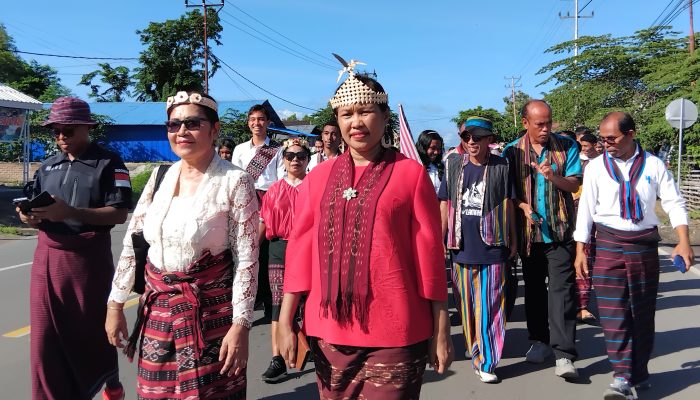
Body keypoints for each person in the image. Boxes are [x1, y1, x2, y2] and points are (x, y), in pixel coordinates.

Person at [277, 60, 453, 399]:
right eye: (346, 114)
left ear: (384, 118)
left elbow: (429, 255)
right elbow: (299, 249)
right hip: (329, 333)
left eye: (365, 112)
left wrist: (441, 327)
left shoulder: (411, 175)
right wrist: (286, 320)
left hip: (397, 331)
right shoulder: (318, 178)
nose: (356, 122)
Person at [105, 91, 259, 399]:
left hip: (211, 319)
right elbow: (133, 243)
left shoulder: (235, 181)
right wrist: (115, 304)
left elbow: (247, 260)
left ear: (214, 130)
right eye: (174, 125)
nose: (182, 132)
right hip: (158, 313)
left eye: (192, 123)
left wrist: (241, 325)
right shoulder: (160, 176)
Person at [573, 112, 694, 399]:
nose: (606, 144)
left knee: (641, 314)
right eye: (602, 139)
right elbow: (586, 210)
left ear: (631, 134)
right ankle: (622, 376)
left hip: (643, 246)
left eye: (611, 138)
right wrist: (580, 250)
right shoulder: (596, 167)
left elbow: (674, 202)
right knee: (614, 315)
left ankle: (638, 371)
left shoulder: (653, 165)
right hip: (608, 244)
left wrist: (684, 241)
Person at [17, 96, 129, 400]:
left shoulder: (109, 162)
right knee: (44, 338)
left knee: (92, 331)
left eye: (67, 130)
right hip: (47, 258)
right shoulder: (48, 167)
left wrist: (72, 212)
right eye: (55, 131)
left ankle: (111, 383)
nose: (61, 137)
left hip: (87, 261)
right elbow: (42, 218)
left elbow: (119, 213)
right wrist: (30, 217)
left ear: (85, 127)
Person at [502, 99, 582, 379]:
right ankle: (539, 341)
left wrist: (553, 177)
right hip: (527, 236)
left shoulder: (567, 147)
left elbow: (574, 184)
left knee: (562, 293)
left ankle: (564, 354)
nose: (547, 128)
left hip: (560, 232)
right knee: (534, 291)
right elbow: (509, 195)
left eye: (549, 122)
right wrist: (521, 211)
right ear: (525, 123)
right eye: (540, 124)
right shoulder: (511, 152)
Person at [439, 117, 517, 383]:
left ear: (488, 140)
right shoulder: (452, 164)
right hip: (460, 246)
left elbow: (509, 204)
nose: (471, 142)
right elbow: (445, 203)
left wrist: (513, 238)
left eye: (478, 137)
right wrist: (440, 239)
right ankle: (475, 347)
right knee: (467, 304)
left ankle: (487, 360)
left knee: (492, 304)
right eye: (467, 138)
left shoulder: (502, 166)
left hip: (493, 244)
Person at [259, 138, 311, 383]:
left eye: (300, 156)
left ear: (308, 159)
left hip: (307, 248)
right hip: (279, 247)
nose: (295, 160)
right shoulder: (273, 190)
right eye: (290, 156)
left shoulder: (314, 187)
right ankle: (277, 357)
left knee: (309, 302)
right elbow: (263, 222)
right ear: (284, 159)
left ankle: (309, 346)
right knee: (278, 302)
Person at [231, 104, 285, 319]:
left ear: (268, 122)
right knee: (245, 249)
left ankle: (267, 296)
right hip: (245, 199)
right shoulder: (240, 149)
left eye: (261, 119)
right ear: (248, 122)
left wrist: (272, 204)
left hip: (270, 200)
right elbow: (235, 178)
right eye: (253, 119)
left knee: (264, 250)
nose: (257, 123)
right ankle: (247, 298)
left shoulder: (278, 149)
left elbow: (281, 180)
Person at [573, 132, 601, 324]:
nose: (583, 149)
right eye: (580, 146)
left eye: (586, 146)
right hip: (568, 217)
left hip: (590, 219)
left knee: (586, 264)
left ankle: (582, 306)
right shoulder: (573, 164)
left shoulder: (601, 165)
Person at [416, 129, 445, 193]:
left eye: (439, 148)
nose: (436, 152)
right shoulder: (416, 167)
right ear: (423, 147)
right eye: (433, 148)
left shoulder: (444, 166)